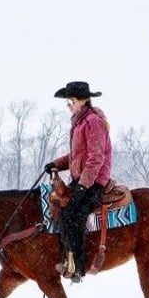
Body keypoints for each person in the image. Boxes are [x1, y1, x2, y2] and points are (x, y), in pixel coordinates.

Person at [44, 81, 112, 282]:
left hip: (94, 181)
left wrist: (83, 185)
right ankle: (67, 256)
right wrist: (55, 163)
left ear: (82, 101)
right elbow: (76, 155)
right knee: (59, 206)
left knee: (73, 212)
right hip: (81, 178)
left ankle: (77, 266)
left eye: (70, 102)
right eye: (68, 103)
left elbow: (95, 158)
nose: (69, 106)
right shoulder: (80, 122)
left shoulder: (93, 122)